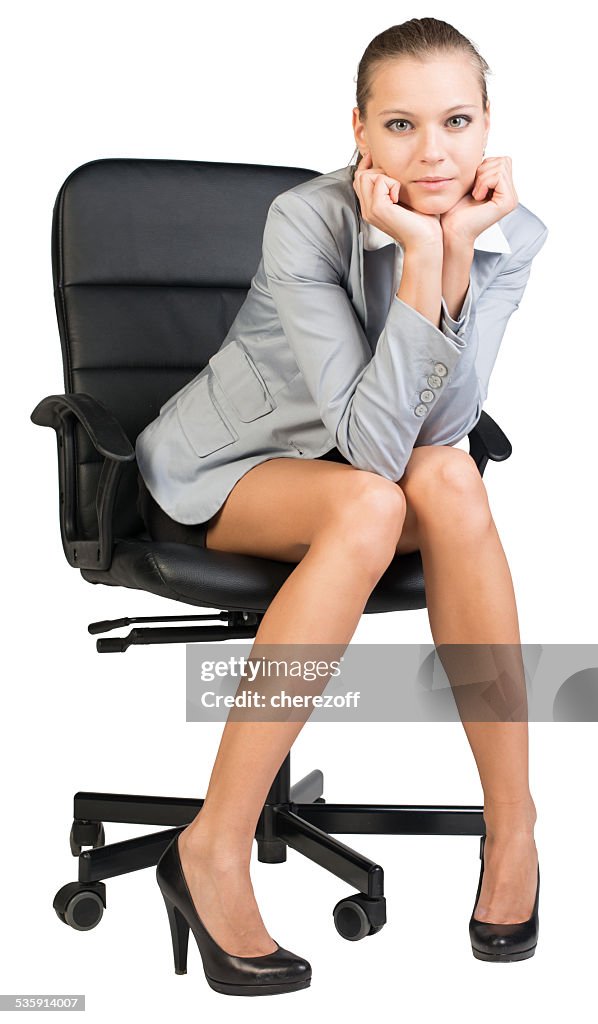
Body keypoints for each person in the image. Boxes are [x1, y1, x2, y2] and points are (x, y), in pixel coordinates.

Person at [144, 17, 548, 994]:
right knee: (370, 503)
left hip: (359, 473)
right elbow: (372, 446)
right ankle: (214, 846)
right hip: (233, 463)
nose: (433, 150)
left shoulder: (511, 231)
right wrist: (418, 254)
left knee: (449, 476)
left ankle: (515, 826)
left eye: (455, 120)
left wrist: (453, 247)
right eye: (401, 125)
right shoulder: (304, 217)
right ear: (359, 132)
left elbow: (438, 431)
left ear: (487, 121)